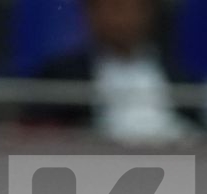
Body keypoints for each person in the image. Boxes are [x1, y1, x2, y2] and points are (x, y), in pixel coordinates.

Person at [29, 0, 192, 142]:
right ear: (91, 13)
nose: (124, 18)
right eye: (115, 7)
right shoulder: (62, 74)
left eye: (134, 7)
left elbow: (202, 132)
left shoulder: (179, 75)